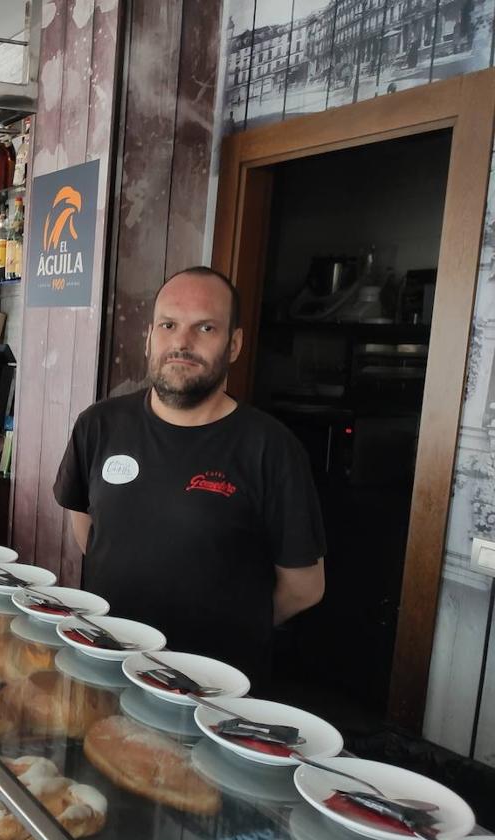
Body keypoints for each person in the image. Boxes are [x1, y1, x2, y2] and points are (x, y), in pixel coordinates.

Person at [53, 266, 326, 686]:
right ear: (149, 337)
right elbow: (88, 530)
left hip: (216, 693)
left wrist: (234, 624)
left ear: (233, 344)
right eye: (168, 325)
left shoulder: (272, 448)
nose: (181, 342)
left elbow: (304, 586)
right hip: (108, 667)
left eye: (205, 328)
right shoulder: (99, 425)